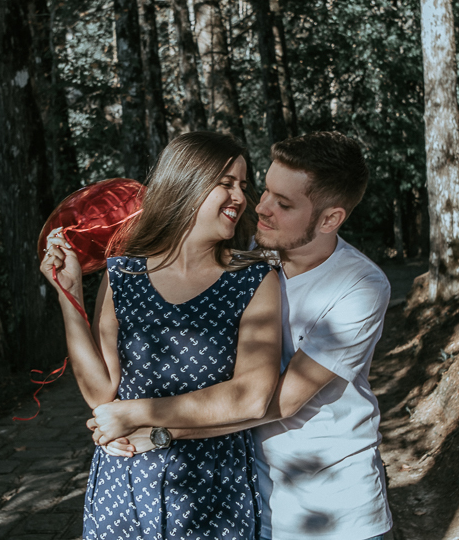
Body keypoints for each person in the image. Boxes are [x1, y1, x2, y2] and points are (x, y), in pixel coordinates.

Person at [92, 132, 393, 540]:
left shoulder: (359, 286)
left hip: (331, 509)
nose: (261, 208)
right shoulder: (251, 257)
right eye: (265, 190)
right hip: (250, 498)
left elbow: (273, 402)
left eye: (283, 204)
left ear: (329, 219)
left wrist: (158, 429)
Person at [40, 131, 282, 540]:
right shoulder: (123, 274)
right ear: (184, 182)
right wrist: (70, 296)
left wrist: (135, 413)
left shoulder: (254, 278)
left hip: (215, 487)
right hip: (125, 480)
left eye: (243, 185)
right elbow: (102, 392)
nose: (240, 197)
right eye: (225, 182)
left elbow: (254, 395)